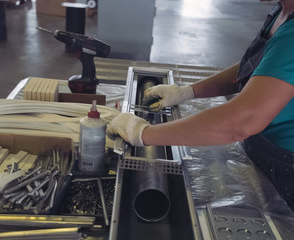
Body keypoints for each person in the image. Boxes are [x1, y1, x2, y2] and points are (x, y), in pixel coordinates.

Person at [107, 0, 294, 211]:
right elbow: (259, 67)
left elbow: (241, 121)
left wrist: (143, 134)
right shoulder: (283, 9)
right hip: (264, 151)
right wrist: (189, 91)